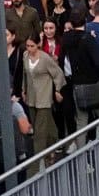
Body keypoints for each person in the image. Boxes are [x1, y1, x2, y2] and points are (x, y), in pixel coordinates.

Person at [61, 10, 99, 145]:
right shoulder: (88, 39)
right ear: (85, 22)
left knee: (81, 123)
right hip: (95, 83)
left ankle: (81, 157)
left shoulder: (66, 40)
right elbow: (98, 62)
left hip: (78, 85)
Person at [20, 33, 65, 176]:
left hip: (44, 97)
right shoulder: (25, 56)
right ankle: (51, 148)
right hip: (32, 98)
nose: (29, 48)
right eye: (27, 46)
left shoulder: (45, 59)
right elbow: (25, 74)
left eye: (32, 46)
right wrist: (24, 89)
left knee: (39, 132)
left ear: (38, 44)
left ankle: (35, 166)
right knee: (47, 126)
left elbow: (58, 74)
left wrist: (57, 90)